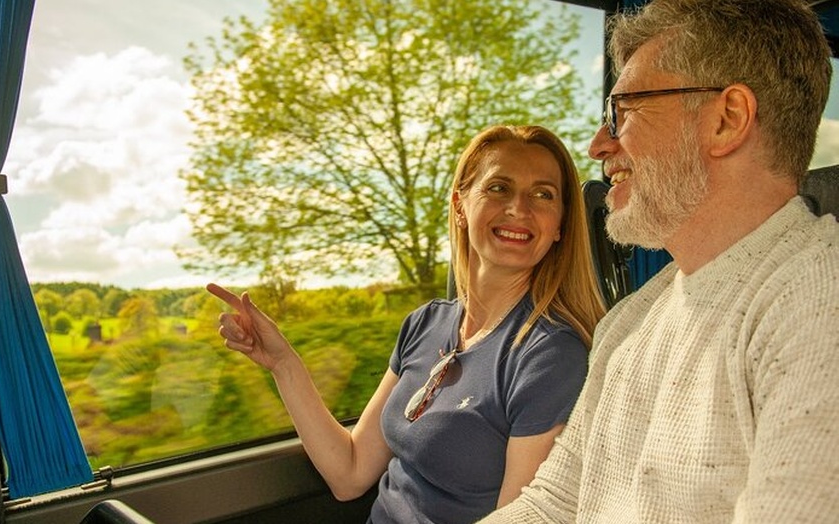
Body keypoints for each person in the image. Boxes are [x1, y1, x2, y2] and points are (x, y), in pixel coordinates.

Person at [478, 1, 839, 523]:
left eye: (622, 112)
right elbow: (554, 503)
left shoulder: (817, 301)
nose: (599, 145)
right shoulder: (629, 321)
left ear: (727, 120)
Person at [207, 124, 606, 523]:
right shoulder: (425, 323)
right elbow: (349, 473)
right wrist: (283, 364)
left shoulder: (549, 355)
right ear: (460, 207)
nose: (520, 207)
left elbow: (519, 518)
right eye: (499, 187)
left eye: (543, 194)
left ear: (559, 226)